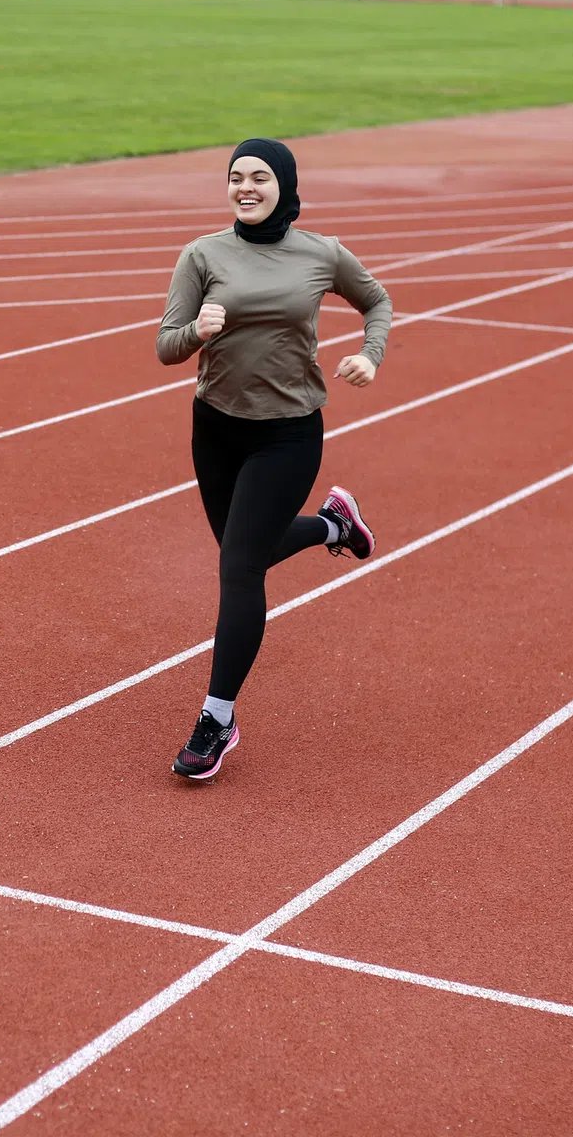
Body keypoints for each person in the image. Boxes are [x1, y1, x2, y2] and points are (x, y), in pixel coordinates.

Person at [157, 137, 391, 781]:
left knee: (238, 568)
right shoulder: (202, 254)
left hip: (287, 433)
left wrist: (371, 355)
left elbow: (377, 301)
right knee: (245, 550)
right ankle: (334, 526)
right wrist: (196, 334)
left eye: (260, 177)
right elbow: (164, 347)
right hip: (216, 430)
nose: (247, 188)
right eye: (236, 178)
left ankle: (217, 718)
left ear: (284, 184)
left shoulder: (321, 253)